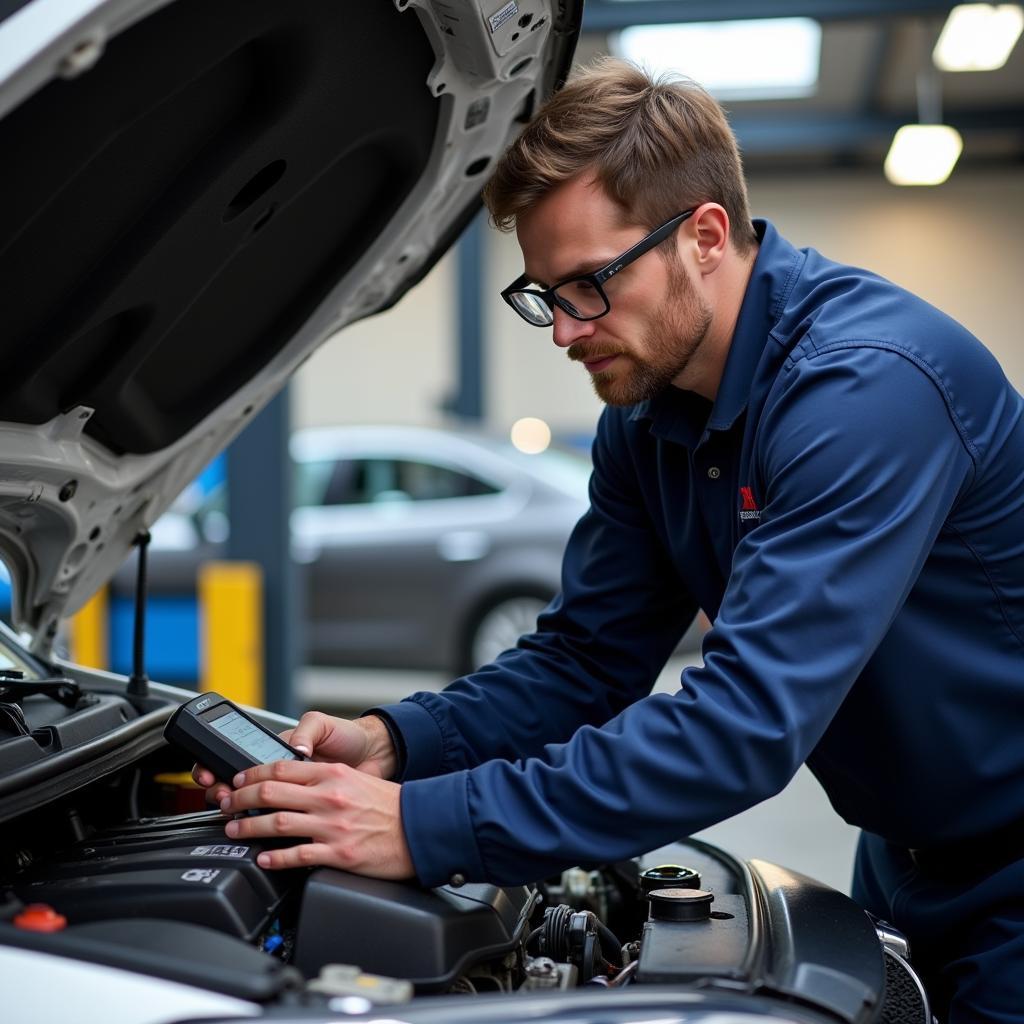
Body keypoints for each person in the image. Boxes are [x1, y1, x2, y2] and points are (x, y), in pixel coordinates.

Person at [196, 59, 1024, 1021]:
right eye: (545, 293)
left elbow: (742, 727)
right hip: (902, 854)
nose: (563, 331)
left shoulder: (869, 391)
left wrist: (424, 828)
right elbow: (585, 662)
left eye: (589, 284)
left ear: (706, 236)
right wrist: (398, 743)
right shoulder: (647, 419)